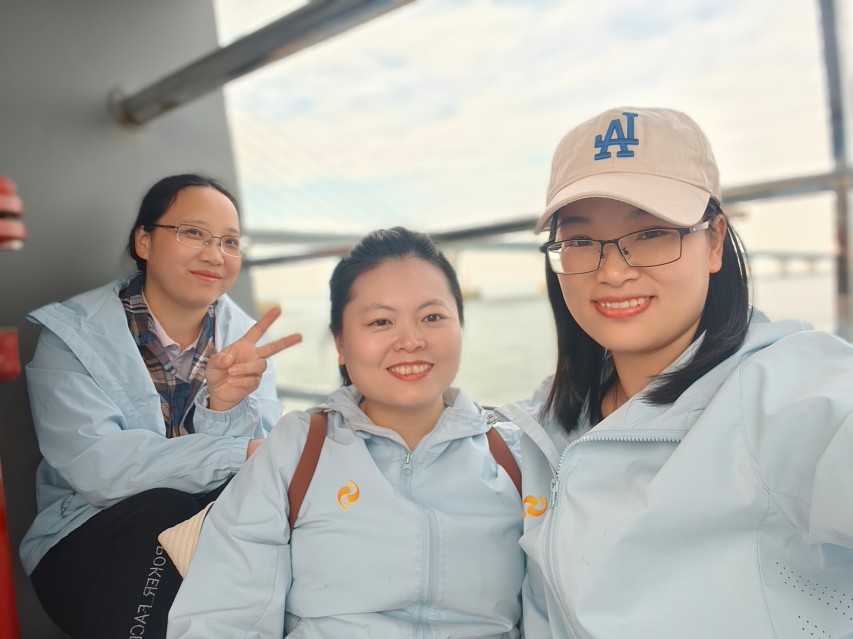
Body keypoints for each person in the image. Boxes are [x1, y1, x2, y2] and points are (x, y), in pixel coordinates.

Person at [496, 107, 853, 638]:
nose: (613, 270)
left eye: (651, 233)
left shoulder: (785, 392)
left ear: (714, 241)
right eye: (581, 241)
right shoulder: (548, 426)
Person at [167, 227, 524, 638]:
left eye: (432, 317)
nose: (410, 341)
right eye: (381, 321)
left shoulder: (515, 457)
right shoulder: (296, 450)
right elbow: (225, 614)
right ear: (340, 343)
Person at [21, 174, 302, 639]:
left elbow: (257, 483)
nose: (215, 255)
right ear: (144, 241)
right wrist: (236, 451)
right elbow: (100, 470)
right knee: (162, 510)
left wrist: (224, 407)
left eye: (230, 241)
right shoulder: (71, 335)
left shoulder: (250, 344)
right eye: (194, 233)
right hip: (84, 547)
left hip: (216, 540)